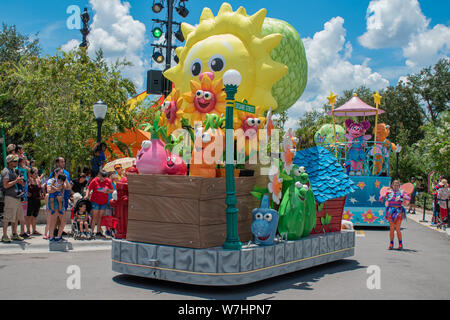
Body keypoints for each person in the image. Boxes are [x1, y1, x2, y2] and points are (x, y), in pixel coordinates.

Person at [1, 154, 25, 243]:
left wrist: (21, 181)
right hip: (9, 197)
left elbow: (18, 182)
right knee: (8, 217)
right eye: (14, 161)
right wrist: (16, 181)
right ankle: (4, 235)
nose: (16, 162)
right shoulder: (6, 171)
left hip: (16, 197)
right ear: (9, 162)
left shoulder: (13, 171)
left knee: (15, 217)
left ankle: (14, 234)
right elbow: (5, 185)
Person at [379, 180, 410, 250]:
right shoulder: (389, 192)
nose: (396, 186)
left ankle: (400, 244)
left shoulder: (401, 192)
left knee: (398, 228)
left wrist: (401, 196)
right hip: (390, 212)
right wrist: (385, 195)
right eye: (394, 185)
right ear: (392, 185)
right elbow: (380, 198)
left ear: (399, 186)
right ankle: (391, 243)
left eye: (397, 185)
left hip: (399, 212)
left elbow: (408, 198)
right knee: (392, 228)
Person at [84, 170, 114, 238]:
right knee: (95, 216)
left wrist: (107, 191)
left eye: (104, 178)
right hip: (95, 201)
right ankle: (91, 231)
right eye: (102, 178)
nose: (103, 180)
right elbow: (89, 188)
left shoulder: (108, 181)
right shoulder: (95, 180)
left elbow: (112, 190)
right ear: (99, 176)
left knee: (100, 216)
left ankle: (98, 231)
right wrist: (86, 195)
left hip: (103, 201)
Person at [26, 168, 44, 236]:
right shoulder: (29, 181)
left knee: (34, 215)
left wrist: (41, 194)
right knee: (29, 215)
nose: (36, 175)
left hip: (37, 199)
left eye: (37, 173)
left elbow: (40, 189)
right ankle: (28, 230)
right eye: (35, 173)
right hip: (30, 200)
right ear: (31, 174)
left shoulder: (38, 180)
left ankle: (34, 230)